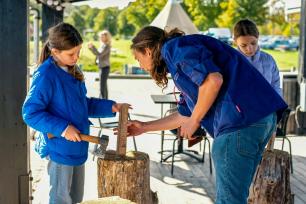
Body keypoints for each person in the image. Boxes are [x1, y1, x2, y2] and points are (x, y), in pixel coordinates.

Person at [126, 26, 287, 204]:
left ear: (147, 51)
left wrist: (195, 120)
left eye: (138, 58)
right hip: (261, 119)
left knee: (229, 200)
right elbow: (185, 113)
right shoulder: (182, 55)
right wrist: (144, 127)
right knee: (236, 197)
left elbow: (213, 80)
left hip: (239, 123)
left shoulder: (173, 48)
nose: (140, 65)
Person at [22, 23, 127, 204]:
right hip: (59, 148)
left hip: (78, 146)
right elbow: (30, 113)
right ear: (55, 52)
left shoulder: (73, 70)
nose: (76, 58)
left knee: (76, 198)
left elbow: (82, 104)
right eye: (71, 54)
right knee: (61, 199)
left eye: (78, 52)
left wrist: (110, 107)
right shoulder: (46, 75)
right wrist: (63, 128)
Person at [233, 19, 282, 96]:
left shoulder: (269, 60)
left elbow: (276, 87)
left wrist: (279, 107)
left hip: (267, 106)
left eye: (253, 43)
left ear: (258, 36)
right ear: (235, 41)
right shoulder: (230, 61)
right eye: (243, 45)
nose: (249, 49)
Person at [88, 30, 112, 99]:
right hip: (102, 67)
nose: (101, 38)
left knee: (102, 87)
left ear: (106, 38)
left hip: (105, 68)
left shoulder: (107, 46)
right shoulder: (103, 45)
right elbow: (98, 54)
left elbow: (100, 54)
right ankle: (105, 101)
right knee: (104, 87)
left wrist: (93, 47)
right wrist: (92, 49)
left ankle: (102, 101)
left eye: (103, 37)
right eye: (100, 37)